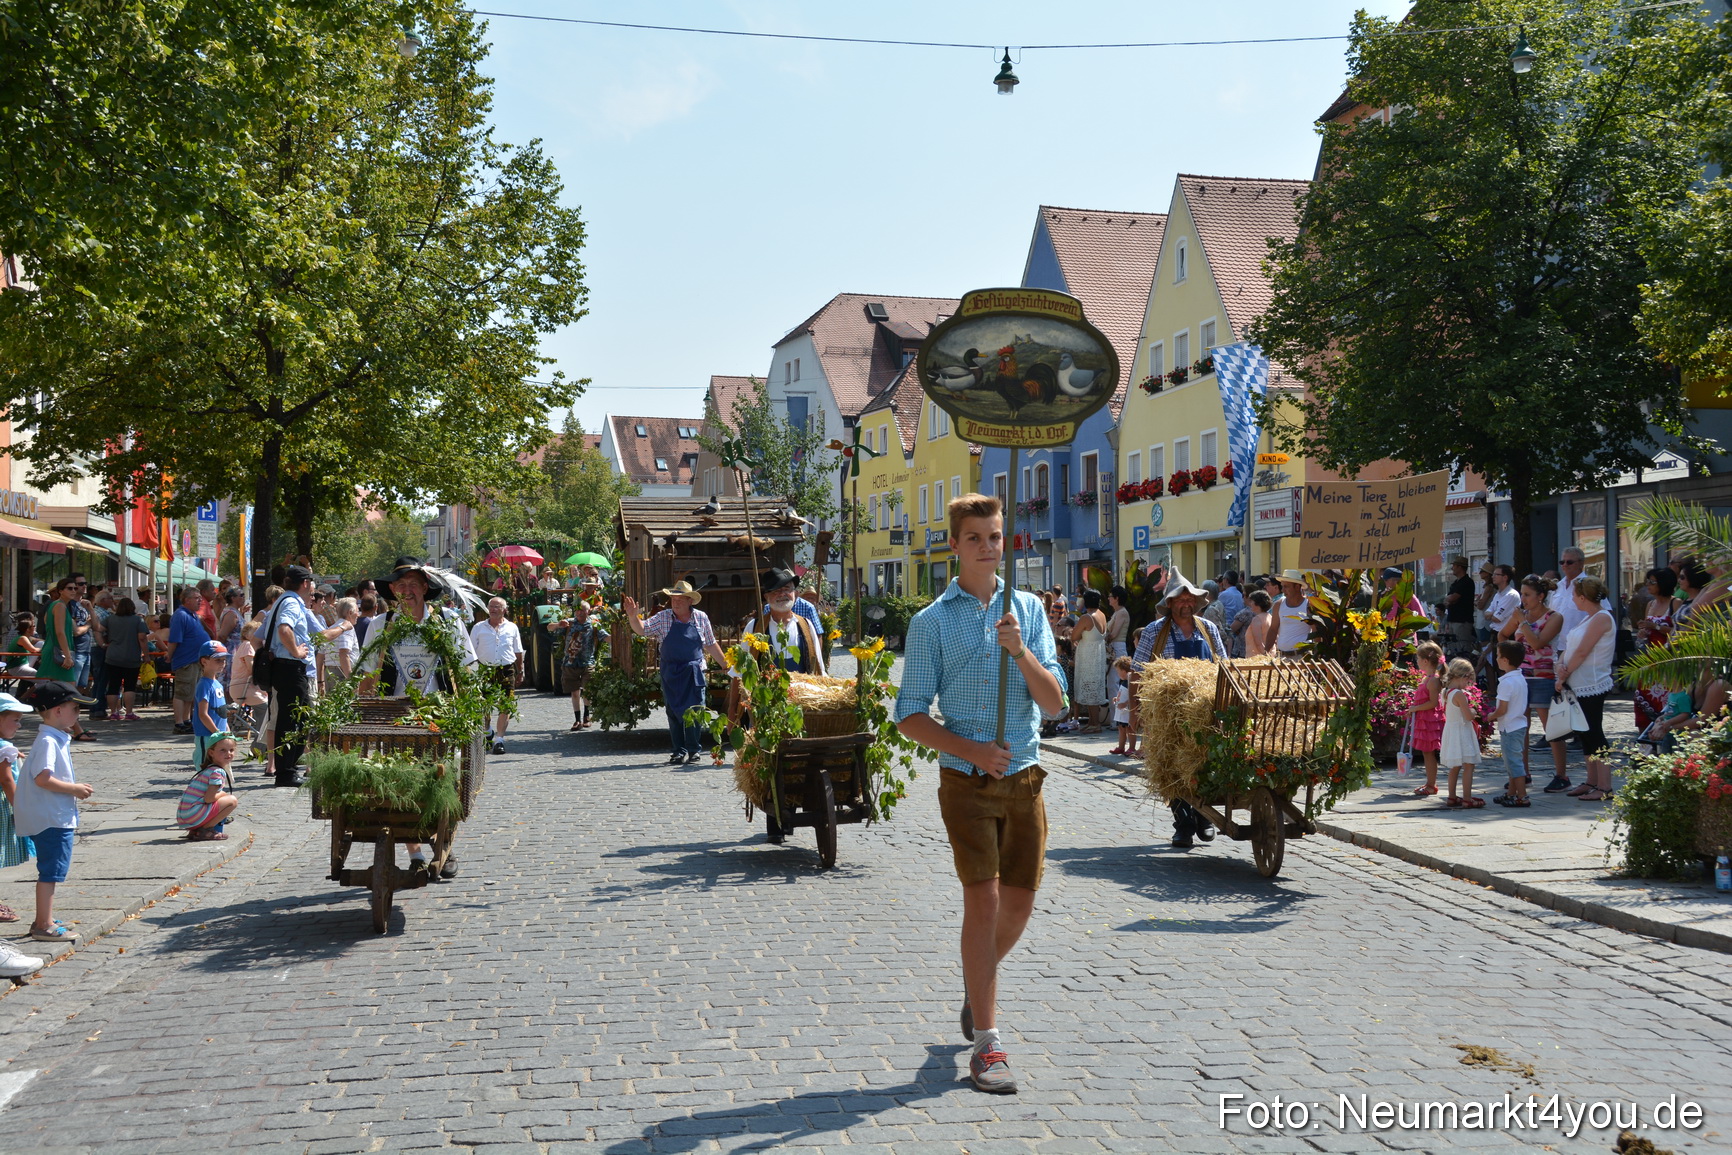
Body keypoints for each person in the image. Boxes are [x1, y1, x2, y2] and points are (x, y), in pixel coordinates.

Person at [893, 493, 1066, 1096]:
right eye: (976, 538)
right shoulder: (931, 622)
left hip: (1025, 779)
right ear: (955, 545)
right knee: (986, 903)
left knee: (1019, 907)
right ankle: (988, 1045)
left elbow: (1055, 703)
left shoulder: (1030, 612)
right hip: (966, 782)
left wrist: (1019, 650)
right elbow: (909, 715)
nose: (990, 547)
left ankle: (975, 983)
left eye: (996, 536)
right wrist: (971, 751)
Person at [358, 557, 477, 877]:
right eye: (400, 586)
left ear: (425, 588)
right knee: (402, 783)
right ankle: (415, 854)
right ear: (392, 591)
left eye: (413, 584)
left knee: (443, 781)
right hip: (393, 714)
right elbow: (367, 675)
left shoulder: (448, 622)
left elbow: (466, 670)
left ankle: (442, 844)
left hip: (439, 715)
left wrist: (469, 712)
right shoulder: (380, 625)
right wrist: (361, 711)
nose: (406, 591)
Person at [1132, 571, 1228, 848]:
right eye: (1180, 598)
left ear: (1197, 602)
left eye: (1190, 598)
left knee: (1205, 762)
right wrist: (1134, 711)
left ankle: (1204, 817)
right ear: (1170, 603)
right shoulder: (1153, 631)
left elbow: (1223, 665)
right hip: (1167, 713)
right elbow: (1137, 672)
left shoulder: (1208, 629)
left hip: (1205, 709)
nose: (1186, 603)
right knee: (1172, 768)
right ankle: (1183, 826)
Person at [13, 682, 96, 943]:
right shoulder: (48, 740)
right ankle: (44, 925)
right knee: (51, 871)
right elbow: (42, 779)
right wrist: (74, 789)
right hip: (51, 817)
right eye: (75, 708)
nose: (78, 714)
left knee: (52, 869)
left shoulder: (52, 737)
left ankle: (43, 918)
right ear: (58, 710)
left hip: (51, 814)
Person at [622, 580, 729, 765]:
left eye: (680, 599)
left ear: (690, 601)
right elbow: (642, 630)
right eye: (673, 599)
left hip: (694, 671)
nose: (675, 602)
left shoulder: (701, 618)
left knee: (695, 710)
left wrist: (727, 666)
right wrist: (633, 616)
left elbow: (710, 644)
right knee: (674, 712)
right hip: (671, 672)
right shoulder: (663, 617)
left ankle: (694, 750)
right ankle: (678, 751)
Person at [1500, 575, 1567, 792]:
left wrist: (1524, 623)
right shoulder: (1522, 615)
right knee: (1521, 726)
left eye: (1528, 595)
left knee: (1552, 729)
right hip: (1521, 677)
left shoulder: (1554, 617)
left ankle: (1561, 775)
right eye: (1522, 594)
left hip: (1544, 677)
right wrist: (1509, 656)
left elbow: (1538, 643)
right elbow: (1502, 634)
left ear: (1540, 596)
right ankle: (1523, 773)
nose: (1524, 599)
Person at [1554, 575, 1617, 802]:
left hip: (1591, 683)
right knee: (1585, 732)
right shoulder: (1588, 618)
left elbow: (1583, 651)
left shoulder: (1601, 618)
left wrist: (1564, 673)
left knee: (1594, 732)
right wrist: (1561, 664)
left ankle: (1605, 786)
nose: (1573, 599)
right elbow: (1570, 647)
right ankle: (1592, 780)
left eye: (1574, 595)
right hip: (1577, 683)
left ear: (1583, 597)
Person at [264, 567, 326, 788]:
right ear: (306, 583)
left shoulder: (282, 601)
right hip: (290, 667)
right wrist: (295, 652)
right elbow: (284, 629)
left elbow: (256, 637)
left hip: (284, 668)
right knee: (292, 721)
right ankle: (286, 772)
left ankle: (288, 770)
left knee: (298, 718)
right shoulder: (291, 603)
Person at [740, 568, 827, 675]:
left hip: (800, 690)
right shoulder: (754, 627)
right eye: (776, 591)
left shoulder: (807, 626)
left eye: (787, 589)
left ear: (795, 594)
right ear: (766, 597)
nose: (782, 594)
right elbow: (739, 671)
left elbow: (819, 669)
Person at [469, 597, 525, 755]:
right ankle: (487, 731)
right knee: (485, 705)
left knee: (506, 705)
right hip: (485, 670)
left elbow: (518, 651)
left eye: (497, 607)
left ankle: (499, 740)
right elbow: (469, 651)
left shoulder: (512, 627)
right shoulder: (478, 628)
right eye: (491, 606)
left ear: (504, 610)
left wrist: (521, 671)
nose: (493, 609)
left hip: (507, 669)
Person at [165, 586, 213, 735]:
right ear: (186, 600)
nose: (200, 601)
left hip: (196, 660)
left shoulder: (192, 615)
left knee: (190, 693)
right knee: (182, 692)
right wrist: (169, 655)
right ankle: (179, 723)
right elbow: (174, 639)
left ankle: (186, 720)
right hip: (186, 660)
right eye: (196, 598)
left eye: (200, 598)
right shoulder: (181, 615)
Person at [176, 732, 239, 841]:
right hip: (193, 815)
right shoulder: (217, 771)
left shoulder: (208, 769)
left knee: (226, 800)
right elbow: (209, 798)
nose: (228, 753)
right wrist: (223, 793)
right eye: (222, 750)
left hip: (185, 816)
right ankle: (205, 830)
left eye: (231, 750)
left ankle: (195, 831)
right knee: (232, 801)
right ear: (211, 752)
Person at [1490, 641, 1531, 807]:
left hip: (1510, 727)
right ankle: (1511, 793)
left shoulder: (1506, 683)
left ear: (1505, 660)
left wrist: (1488, 717)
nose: (1497, 659)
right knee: (1513, 762)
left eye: (1498, 656)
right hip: (1519, 725)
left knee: (1514, 763)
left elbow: (1501, 709)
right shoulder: (1520, 678)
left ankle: (1522, 796)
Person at [1439, 658, 1482, 808]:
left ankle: (1451, 796)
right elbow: (1468, 716)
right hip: (1461, 731)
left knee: (1455, 766)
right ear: (1462, 676)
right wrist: (1473, 711)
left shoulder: (1445, 692)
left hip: (1451, 731)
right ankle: (1467, 798)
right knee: (1468, 765)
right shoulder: (1459, 694)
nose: (1468, 684)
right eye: (1468, 680)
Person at [1407, 642, 1446, 797]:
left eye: (1418, 658)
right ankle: (1430, 782)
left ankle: (1431, 784)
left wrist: (1415, 708)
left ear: (1425, 661)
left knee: (1428, 753)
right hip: (1425, 720)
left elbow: (1433, 702)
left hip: (1430, 721)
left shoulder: (1433, 680)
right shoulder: (1428, 678)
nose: (1417, 661)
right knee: (1426, 752)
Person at [102, 598, 148, 721]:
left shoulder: (110, 619)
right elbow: (142, 638)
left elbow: (99, 629)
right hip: (131, 656)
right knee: (129, 685)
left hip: (112, 656)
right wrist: (147, 655)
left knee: (113, 685)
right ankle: (129, 712)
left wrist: (103, 643)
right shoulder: (138, 620)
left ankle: (113, 712)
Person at [1069, 590, 1108, 733]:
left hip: (1088, 656)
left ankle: (1095, 723)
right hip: (1098, 654)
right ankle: (1092, 721)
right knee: (1094, 687)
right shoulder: (1102, 615)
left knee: (1090, 688)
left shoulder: (1087, 617)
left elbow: (1074, 635)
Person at [560, 601, 601, 730]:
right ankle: (577, 720)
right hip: (570, 662)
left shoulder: (594, 625)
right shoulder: (570, 623)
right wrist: (557, 625)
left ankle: (587, 716)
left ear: (588, 611)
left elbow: (604, 636)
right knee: (574, 692)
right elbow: (549, 628)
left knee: (587, 689)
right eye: (577, 610)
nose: (579, 612)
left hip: (587, 662)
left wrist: (619, 638)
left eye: (582, 610)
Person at [192, 640, 230, 771]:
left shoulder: (217, 684)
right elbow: (203, 714)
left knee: (219, 765)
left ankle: (215, 788)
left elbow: (222, 711)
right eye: (218, 660)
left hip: (219, 734)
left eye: (224, 660)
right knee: (205, 764)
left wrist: (226, 730)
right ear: (204, 661)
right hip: (207, 734)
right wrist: (216, 732)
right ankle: (202, 788)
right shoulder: (204, 685)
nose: (222, 663)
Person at [1266, 570, 1312, 656]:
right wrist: (1266, 652)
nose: (1283, 590)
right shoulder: (1279, 604)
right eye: (1282, 586)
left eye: (1286, 587)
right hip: (1282, 656)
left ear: (1297, 587)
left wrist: (1316, 655)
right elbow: (1273, 629)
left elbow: (1316, 631)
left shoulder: (1308, 605)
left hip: (1302, 657)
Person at [216, 587, 247, 685]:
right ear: (233, 598)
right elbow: (222, 635)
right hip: (231, 653)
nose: (244, 597)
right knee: (230, 683)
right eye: (241, 595)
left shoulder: (235, 612)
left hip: (236, 651)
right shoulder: (231, 614)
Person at [1104, 586, 1131, 700]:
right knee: (1112, 682)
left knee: (1114, 682)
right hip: (1115, 647)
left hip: (1117, 647)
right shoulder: (1117, 612)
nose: (1109, 599)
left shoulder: (1121, 613)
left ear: (1116, 598)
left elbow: (1114, 634)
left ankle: (1115, 716)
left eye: (1110, 596)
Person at [1109, 655, 1136, 757]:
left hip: (1127, 710)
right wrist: (1117, 698)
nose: (1117, 673)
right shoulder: (1123, 681)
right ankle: (1121, 747)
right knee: (1121, 728)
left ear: (1124, 671)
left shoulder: (1130, 681)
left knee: (1130, 729)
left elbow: (1133, 695)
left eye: (1118, 671)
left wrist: (1125, 703)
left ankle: (1132, 748)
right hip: (1121, 711)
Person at [4, 612, 41, 679]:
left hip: (19, 663)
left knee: (42, 679)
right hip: (17, 666)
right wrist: (46, 649)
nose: (35, 627)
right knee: (43, 678)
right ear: (27, 629)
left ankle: (28, 689)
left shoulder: (23, 637)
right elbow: (34, 650)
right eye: (33, 626)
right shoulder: (22, 638)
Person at [1241, 589, 1274, 659]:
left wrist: (1265, 656)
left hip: (1257, 659)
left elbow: (1258, 642)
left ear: (1257, 604)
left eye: (1252, 602)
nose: (1250, 604)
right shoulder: (1270, 617)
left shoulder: (1257, 619)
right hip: (1270, 656)